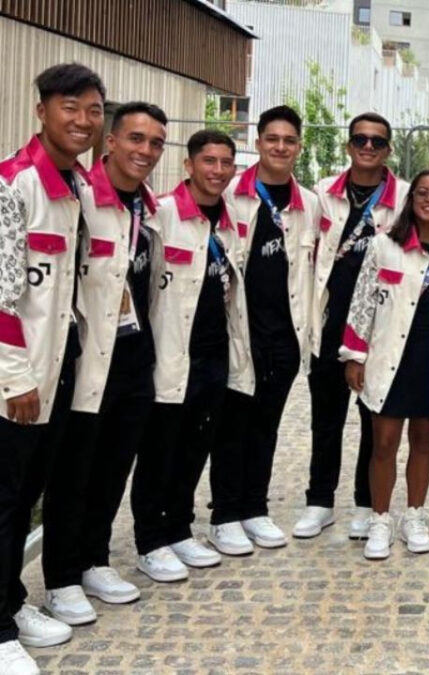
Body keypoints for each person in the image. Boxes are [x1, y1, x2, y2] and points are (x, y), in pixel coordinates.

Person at [41, 102, 166, 626]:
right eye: (136, 139)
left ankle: (94, 559)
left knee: (115, 465)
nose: (145, 151)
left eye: (156, 143)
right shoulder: (83, 200)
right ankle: (60, 578)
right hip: (89, 358)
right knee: (75, 471)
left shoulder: (151, 209)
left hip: (136, 358)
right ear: (110, 142)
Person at [0, 63, 105, 674]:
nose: (83, 121)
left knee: (28, 492)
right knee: (5, 498)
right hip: (19, 377)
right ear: (41, 111)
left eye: (93, 111)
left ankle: (10, 603)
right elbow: (1, 296)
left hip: (58, 367)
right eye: (71, 107)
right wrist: (15, 378)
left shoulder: (78, 189)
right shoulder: (15, 187)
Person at [128, 130, 252, 582]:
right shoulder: (161, 215)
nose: (217, 171)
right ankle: (150, 539)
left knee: (196, 445)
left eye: (226, 163)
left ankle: (178, 528)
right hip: (169, 354)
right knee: (160, 449)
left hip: (214, 353)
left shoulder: (232, 219)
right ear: (189, 165)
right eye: (209, 161)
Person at [210, 105, 320, 555]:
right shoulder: (231, 194)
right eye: (272, 139)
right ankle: (225, 515)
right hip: (239, 331)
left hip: (285, 333)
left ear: (298, 147)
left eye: (289, 140)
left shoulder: (308, 203)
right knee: (232, 426)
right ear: (257, 142)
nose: (280, 147)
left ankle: (255, 508)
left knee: (266, 425)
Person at [340, 170, 429, 559]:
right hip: (388, 358)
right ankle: (380, 518)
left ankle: (414, 515)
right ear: (411, 200)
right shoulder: (383, 246)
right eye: (422, 193)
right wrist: (354, 356)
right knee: (384, 443)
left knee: (423, 443)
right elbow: (362, 302)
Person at [298, 112, 408, 541]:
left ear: (388, 150)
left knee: (373, 421)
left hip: (378, 329)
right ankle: (319, 501)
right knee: (325, 419)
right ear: (348, 145)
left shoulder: (401, 199)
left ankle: (366, 503)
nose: (367, 147)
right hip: (328, 321)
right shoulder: (323, 193)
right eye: (360, 139)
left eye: (377, 142)